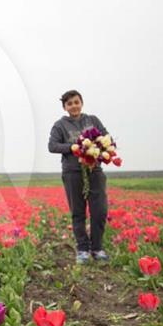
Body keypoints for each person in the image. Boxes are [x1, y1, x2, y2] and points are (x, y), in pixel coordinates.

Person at [47, 89, 110, 265]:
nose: (74, 106)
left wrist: (99, 147)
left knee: (99, 211)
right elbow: (52, 146)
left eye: (76, 102)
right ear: (65, 107)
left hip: (94, 170)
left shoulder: (92, 120)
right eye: (69, 104)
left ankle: (97, 248)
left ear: (81, 103)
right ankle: (83, 250)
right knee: (78, 212)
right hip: (73, 172)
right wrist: (74, 147)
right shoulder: (60, 125)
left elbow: (107, 138)